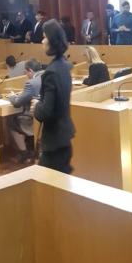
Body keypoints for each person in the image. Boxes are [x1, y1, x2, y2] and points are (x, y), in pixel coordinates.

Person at [33, 20, 75, 174]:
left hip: (54, 140)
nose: (42, 41)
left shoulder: (51, 72)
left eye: (44, 37)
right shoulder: (65, 65)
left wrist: (36, 105)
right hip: (64, 136)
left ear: (52, 40)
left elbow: (45, 112)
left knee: (47, 183)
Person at [6, 59, 42, 164]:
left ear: (30, 71)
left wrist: (12, 96)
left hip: (34, 116)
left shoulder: (31, 83)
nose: (26, 75)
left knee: (11, 122)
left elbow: (17, 103)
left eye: (26, 72)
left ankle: (24, 153)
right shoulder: (48, 76)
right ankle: (30, 149)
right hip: (45, 115)